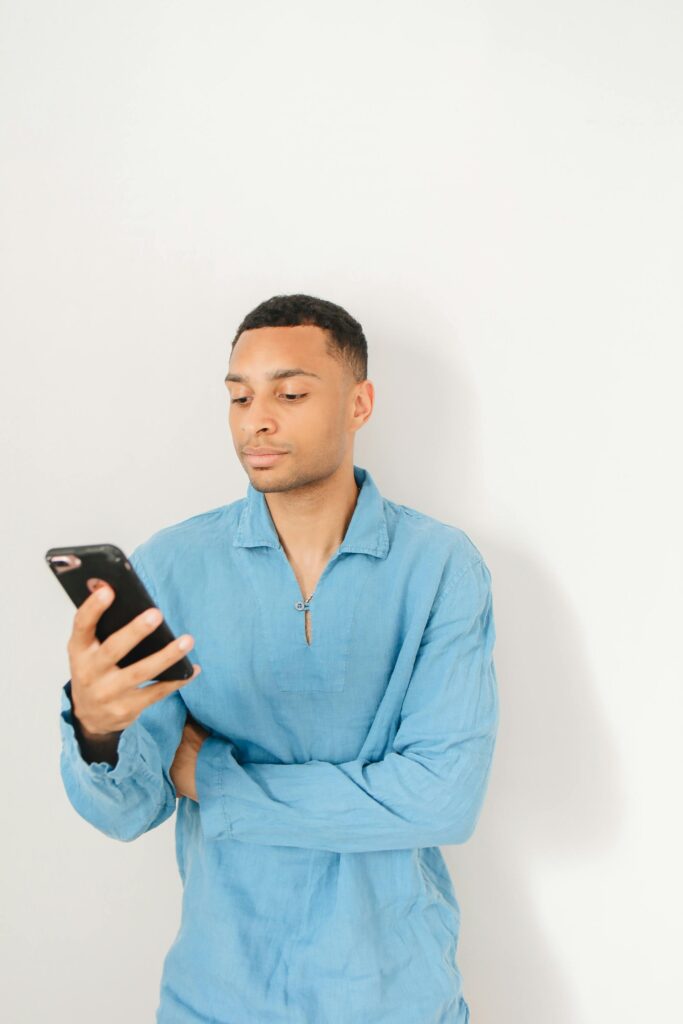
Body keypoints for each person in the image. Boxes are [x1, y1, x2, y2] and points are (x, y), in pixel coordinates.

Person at [59, 293, 500, 1024]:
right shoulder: (170, 566)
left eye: (289, 394)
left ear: (359, 404)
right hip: (217, 994)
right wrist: (97, 734)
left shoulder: (440, 568)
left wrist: (214, 781)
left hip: (393, 995)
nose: (255, 420)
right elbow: (130, 809)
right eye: (238, 396)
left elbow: (440, 799)